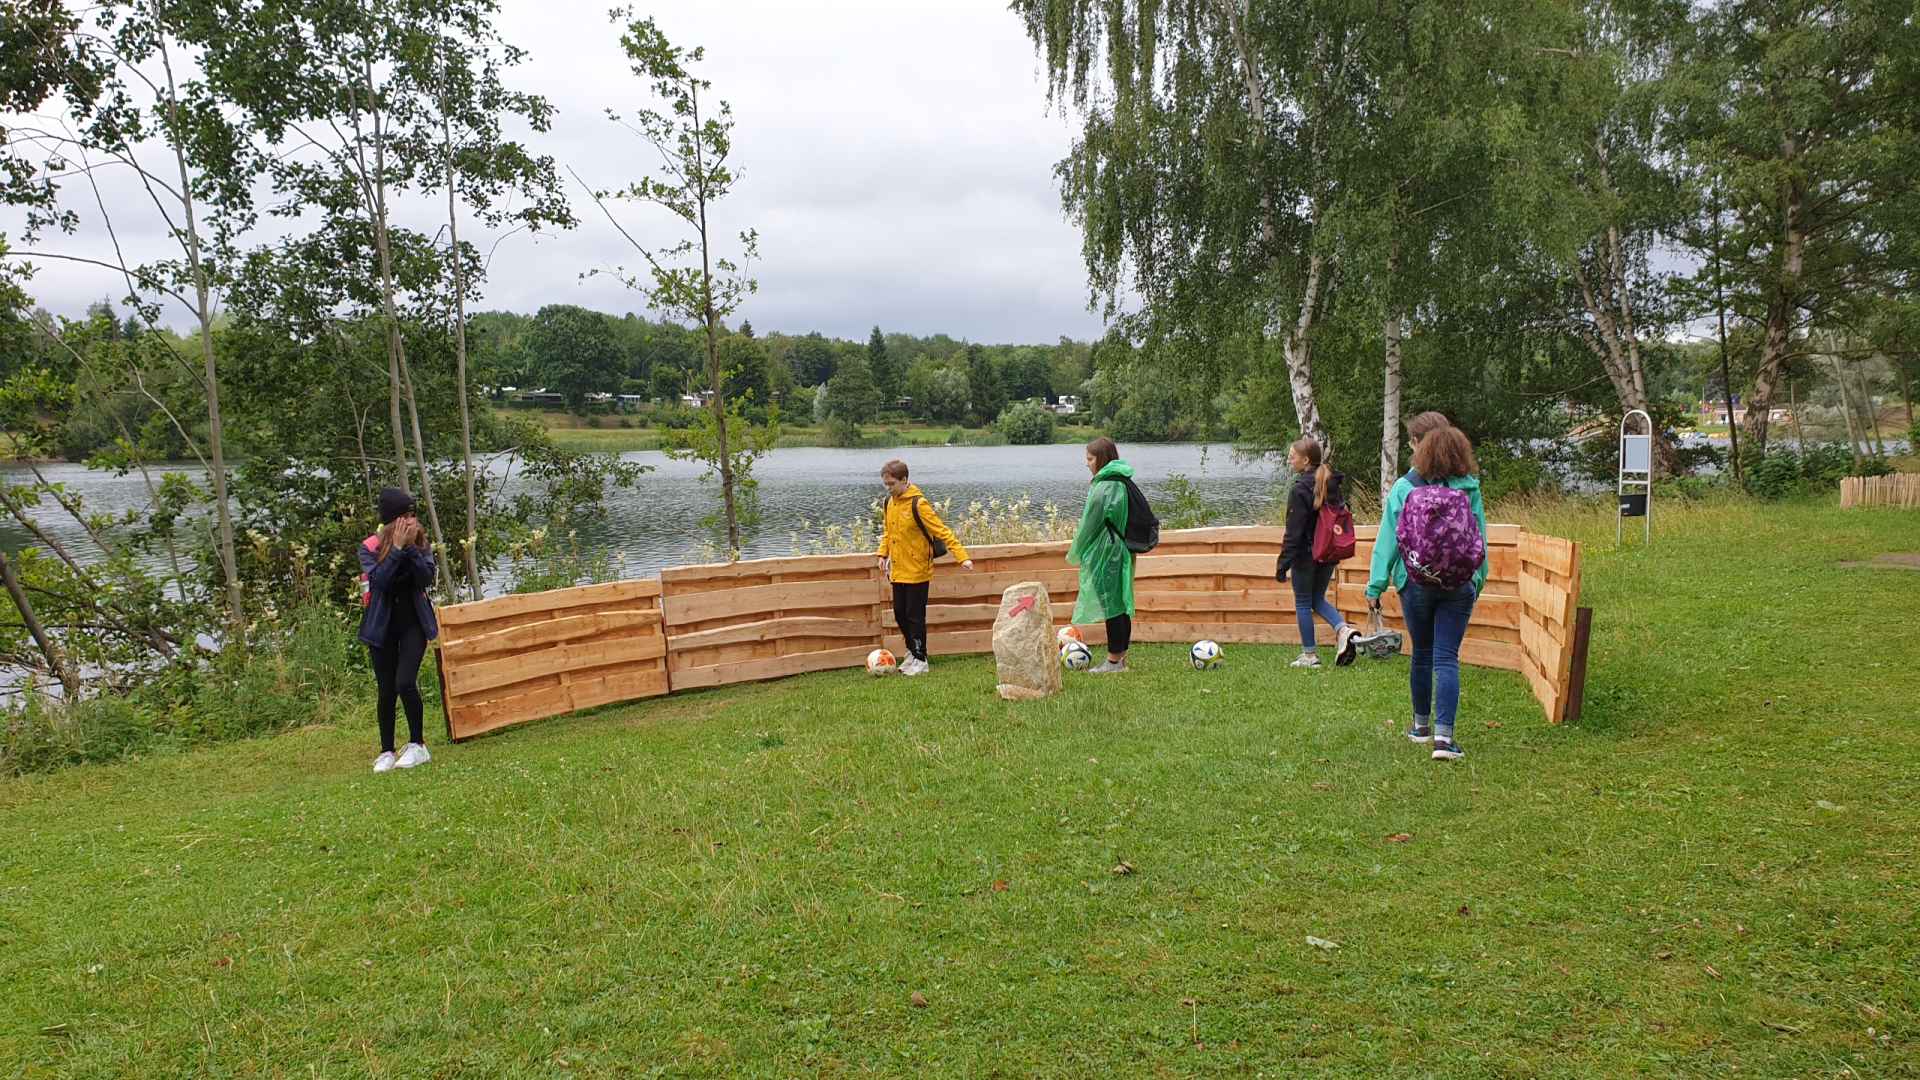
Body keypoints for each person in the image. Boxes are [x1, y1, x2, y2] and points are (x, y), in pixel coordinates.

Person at [1366, 423, 1489, 761]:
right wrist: (1478, 579)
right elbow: (1481, 537)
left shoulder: (1404, 488)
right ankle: (1444, 740)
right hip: (1459, 583)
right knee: (1446, 657)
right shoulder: (1469, 488)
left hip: (1414, 581)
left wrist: (1376, 584)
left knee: (1421, 652)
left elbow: (1388, 538)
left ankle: (1420, 728)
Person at [357, 487, 439, 772]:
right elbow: (380, 582)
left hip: (414, 623)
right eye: (405, 516)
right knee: (386, 689)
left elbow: (426, 577)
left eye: (413, 515)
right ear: (393, 521)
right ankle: (387, 750)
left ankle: (418, 745)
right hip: (381, 626)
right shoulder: (369, 547)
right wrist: (397, 550)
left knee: (405, 682)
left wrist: (411, 549)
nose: (411, 521)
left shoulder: (420, 543)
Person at [875, 460, 973, 675]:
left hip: (918, 569)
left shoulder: (918, 504)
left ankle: (921, 659)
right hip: (898, 569)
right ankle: (911, 652)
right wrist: (883, 553)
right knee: (900, 614)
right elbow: (888, 532)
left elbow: (942, 531)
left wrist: (962, 557)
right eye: (885, 484)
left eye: (892, 484)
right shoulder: (889, 503)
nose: (888, 488)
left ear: (904, 480)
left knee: (914, 615)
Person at [1276, 436, 1357, 668]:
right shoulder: (1332, 484)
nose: (1289, 460)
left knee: (1303, 601)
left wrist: (1283, 564)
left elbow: (1294, 532)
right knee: (1316, 598)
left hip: (1305, 555)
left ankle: (1309, 655)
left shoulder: (1300, 489)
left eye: (1292, 457)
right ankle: (1343, 630)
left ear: (1306, 460)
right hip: (1329, 552)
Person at [1067, 437, 1137, 673]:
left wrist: (1075, 553)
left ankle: (1113, 661)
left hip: (1107, 553)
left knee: (1112, 606)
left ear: (1102, 459)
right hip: (1121, 550)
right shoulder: (1121, 480)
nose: (1087, 463)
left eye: (1090, 458)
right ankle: (1120, 658)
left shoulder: (1104, 486)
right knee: (1120, 603)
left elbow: (1089, 525)